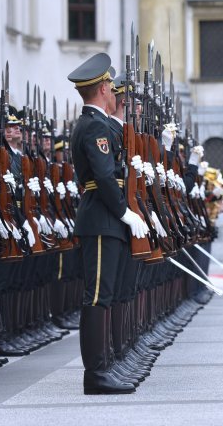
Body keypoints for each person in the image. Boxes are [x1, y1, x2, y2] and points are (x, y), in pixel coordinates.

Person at [67, 53, 149, 395]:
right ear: (103, 88)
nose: (115, 93)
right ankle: (96, 373)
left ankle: (107, 364)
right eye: (112, 86)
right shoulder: (94, 125)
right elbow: (103, 176)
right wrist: (124, 212)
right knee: (98, 296)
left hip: (106, 218)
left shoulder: (96, 124)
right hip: (102, 219)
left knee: (108, 295)